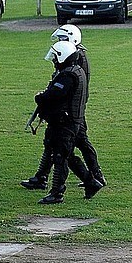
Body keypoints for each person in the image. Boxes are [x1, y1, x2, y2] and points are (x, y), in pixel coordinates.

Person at [20, 24, 106, 191]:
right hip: (71, 111)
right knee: (55, 145)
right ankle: (43, 177)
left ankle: (94, 177)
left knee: (70, 147)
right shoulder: (72, 60)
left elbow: (67, 90)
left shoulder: (75, 61)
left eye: (63, 39)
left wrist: (47, 98)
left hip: (71, 112)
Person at [34, 41, 103, 204]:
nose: (54, 61)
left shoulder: (68, 76)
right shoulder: (75, 71)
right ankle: (90, 182)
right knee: (66, 155)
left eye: (55, 58)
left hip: (64, 122)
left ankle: (57, 192)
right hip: (67, 121)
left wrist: (40, 97)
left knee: (60, 156)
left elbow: (54, 95)